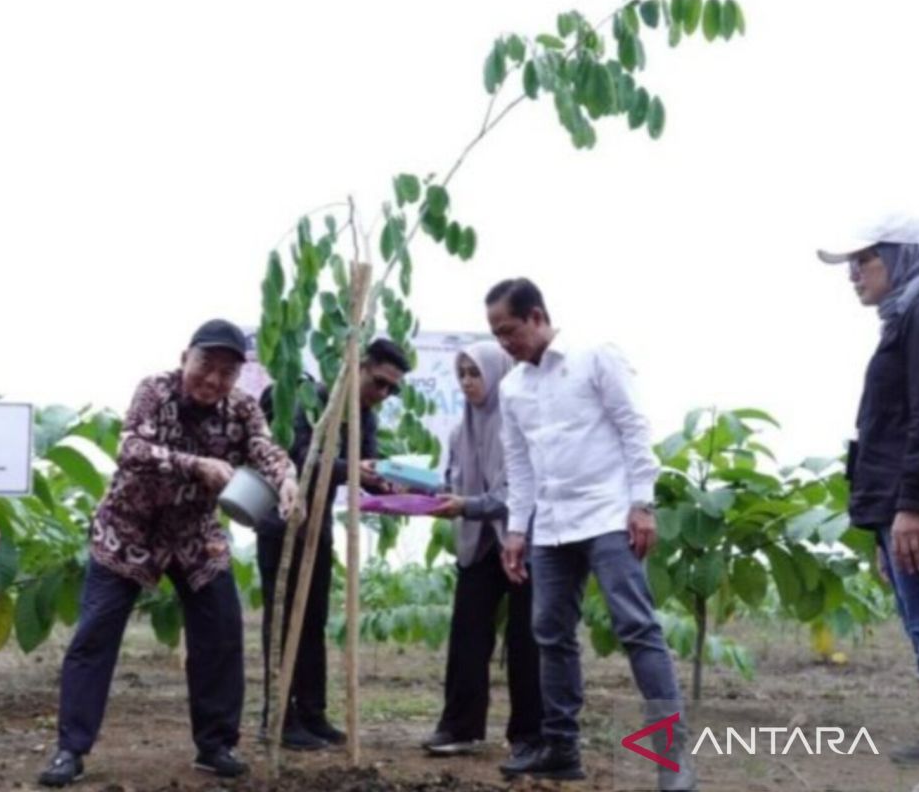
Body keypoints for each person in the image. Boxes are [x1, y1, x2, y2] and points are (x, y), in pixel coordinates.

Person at [37, 319, 299, 786]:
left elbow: (265, 448)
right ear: (185, 358)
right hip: (128, 530)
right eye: (206, 365)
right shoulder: (153, 391)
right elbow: (132, 448)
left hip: (195, 534)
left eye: (227, 372)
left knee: (221, 632)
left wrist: (287, 478)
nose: (215, 380)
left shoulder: (240, 409)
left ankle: (216, 745)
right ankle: (69, 750)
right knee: (94, 635)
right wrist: (195, 465)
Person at [485, 278, 693, 789]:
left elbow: (632, 427)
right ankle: (561, 748)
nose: (503, 343)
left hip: (607, 516)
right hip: (551, 528)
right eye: (495, 334)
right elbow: (521, 463)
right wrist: (516, 531)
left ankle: (672, 759)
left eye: (508, 330)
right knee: (550, 634)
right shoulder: (513, 388)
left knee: (637, 629)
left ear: (536, 316)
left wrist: (641, 504)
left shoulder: (595, 356)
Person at [818, 214, 919, 792]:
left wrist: (913, 511)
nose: (852, 273)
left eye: (864, 260)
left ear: (901, 256)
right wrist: (888, 525)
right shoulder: (917, 313)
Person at [254, 338, 410, 750]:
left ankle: (312, 713)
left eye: (392, 389)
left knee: (314, 620)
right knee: (284, 621)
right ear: (355, 365)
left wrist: (385, 481)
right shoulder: (310, 400)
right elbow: (300, 459)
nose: (383, 394)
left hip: (318, 524)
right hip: (281, 519)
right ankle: (278, 718)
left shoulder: (364, 416)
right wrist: (355, 469)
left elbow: (366, 468)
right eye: (379, 382)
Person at [421, 341, 543, 765]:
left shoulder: (522, 424)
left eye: (476, 373)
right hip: (478, 544)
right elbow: (453, 485)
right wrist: (421, 495)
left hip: (523, 541)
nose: (469, 382)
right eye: (463, 374)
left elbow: (518, 492)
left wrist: (467, 505)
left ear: (499, 374)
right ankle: (460, 727)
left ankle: (530, 734)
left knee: (527, 639)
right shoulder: (460, 430)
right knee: (468, 633)